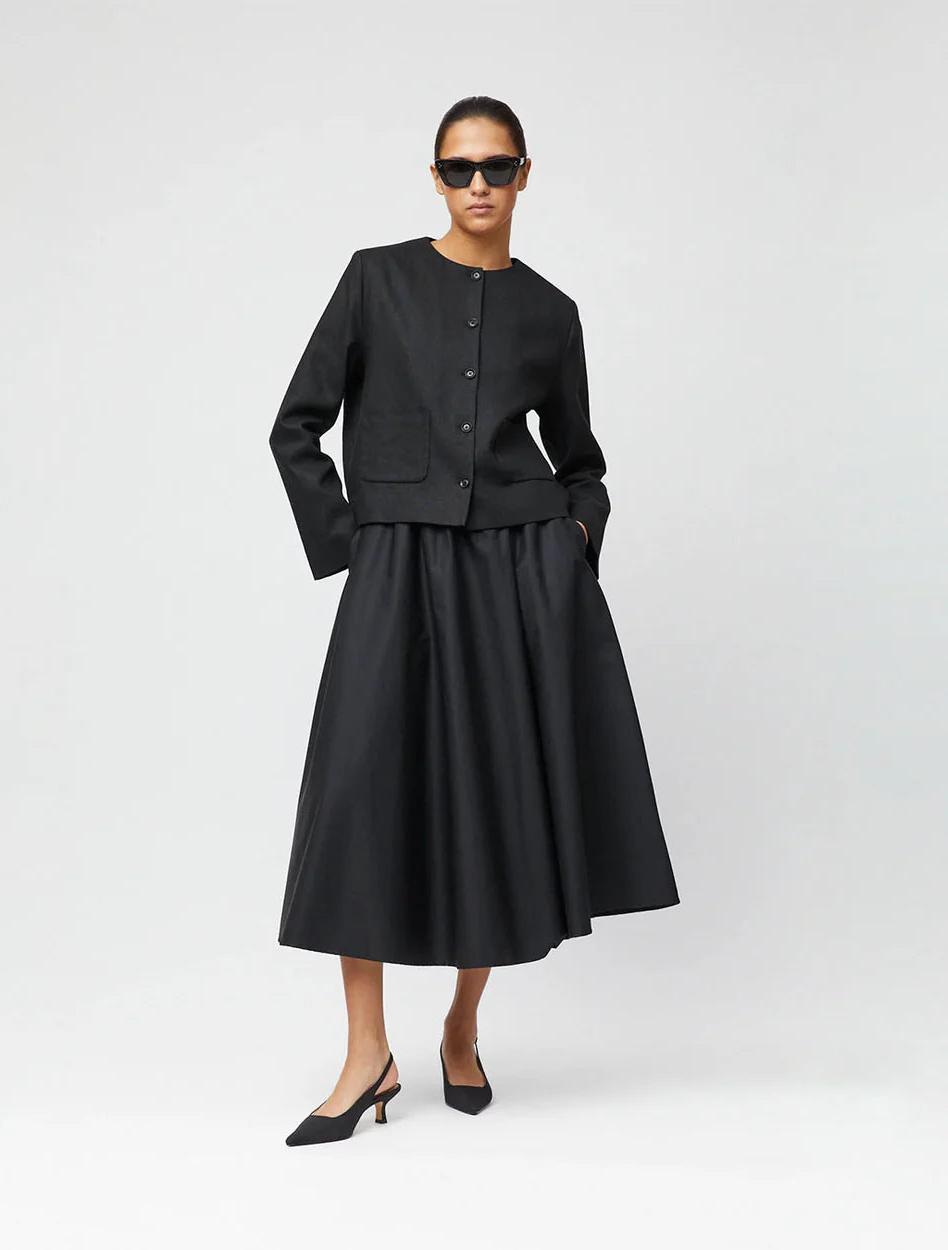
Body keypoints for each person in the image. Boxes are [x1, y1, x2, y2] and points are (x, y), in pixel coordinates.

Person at [268, 95, 680, 1147]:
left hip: (513, 572)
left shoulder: (551, 311)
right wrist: (354, 541)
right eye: (459, 168)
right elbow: (296, 425)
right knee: (360, 792)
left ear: (525, 175)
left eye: (496, 166)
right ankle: (366, 1053)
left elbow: (581, 461)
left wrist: (571, 540)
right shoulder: (376, 280)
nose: (479, 185)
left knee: (491, 797)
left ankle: (461, 1023)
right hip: (397, 565)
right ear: (436, 177)